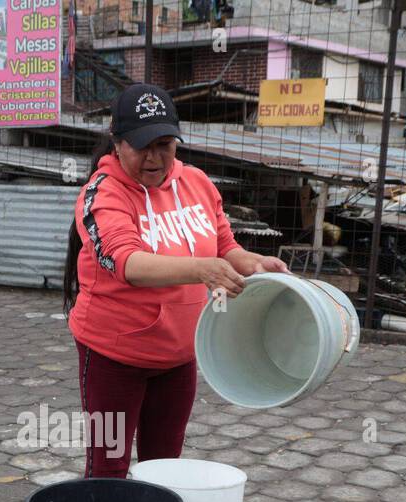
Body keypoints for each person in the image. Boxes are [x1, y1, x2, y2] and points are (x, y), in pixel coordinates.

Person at [63, 84, 290, 479]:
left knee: (165, 466)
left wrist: (254, 263)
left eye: (164, 144)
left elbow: (224, 245)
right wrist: (201, 269)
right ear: (117, 144)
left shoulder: (197, 183)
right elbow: (125, 261)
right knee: (108, 467)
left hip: (180, 354)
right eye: (141, 146)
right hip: (114, 355)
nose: (154, 158)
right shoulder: (103, 192)